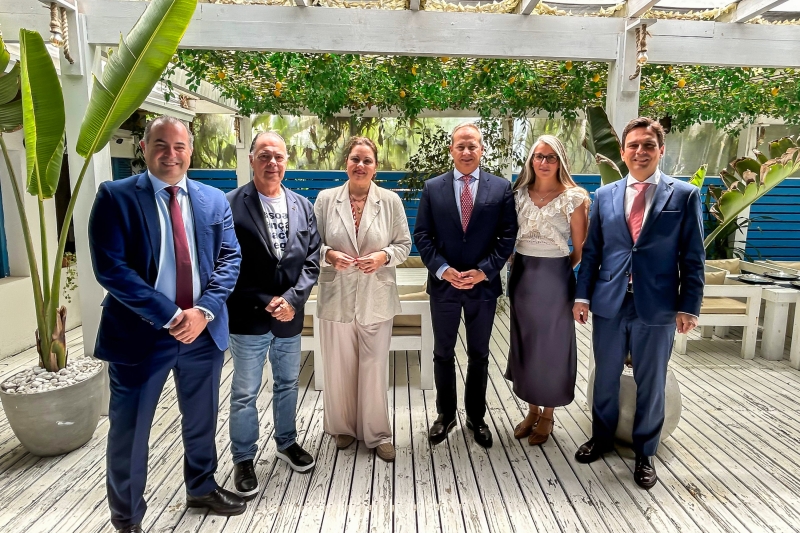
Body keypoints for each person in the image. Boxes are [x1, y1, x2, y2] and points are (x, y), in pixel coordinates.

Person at [88, 116, 243, 533]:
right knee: (131, 430)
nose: (170, 154)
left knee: (201, 419)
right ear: (144, 148)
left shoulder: (214, 200)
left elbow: (230, 259)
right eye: (160, 144)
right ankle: (127, 518)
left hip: (202, 334)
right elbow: (111, 269)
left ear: (190, 151)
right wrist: (172, 316)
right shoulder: (116, 197)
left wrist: (202, 312)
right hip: (140, 335)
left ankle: (201, 487)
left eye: (179, 146)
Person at [573, 117, 704, 490]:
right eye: (633, 145)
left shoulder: (684, 195)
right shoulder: (605, 195)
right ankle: (601, 438)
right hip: (610, 302)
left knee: (652, 380)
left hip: (658, 305)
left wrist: (689, 306)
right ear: (623, 151)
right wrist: (582, 296)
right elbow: (593, 252)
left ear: (661, 150)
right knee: (605, 376)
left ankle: (646, 452)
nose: (640, 151)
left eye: (648, 145)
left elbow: (693, 257)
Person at [225, 131, 321, 498]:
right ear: (252, 159)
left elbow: (311, 260)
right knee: (245, 392)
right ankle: (243, 458)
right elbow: (226, 263)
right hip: (248, 317)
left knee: (287, 383)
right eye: (264, 155)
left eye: (278, 156)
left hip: (289, 318)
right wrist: (265, 299)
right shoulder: (230, 204)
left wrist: (292, 300)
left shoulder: (302, 205)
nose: (272, 163)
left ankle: (286, 442)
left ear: (287, 160)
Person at [414, 123, 517, 449]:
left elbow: (507, 237)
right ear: (452, 150)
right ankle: (445, 415)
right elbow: (422, 236)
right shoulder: (433, 188)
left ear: (481, 149)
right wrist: (443, 270)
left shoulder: (501, 188)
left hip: (482, 287)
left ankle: (476, 416)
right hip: (444, 286)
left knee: (479, 354)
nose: (467, 151)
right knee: (442, 352)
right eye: (461, 146)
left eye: (473, 146)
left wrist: (484, 271)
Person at [313, 136, 411, 462]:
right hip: (336, 294)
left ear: (375, 167)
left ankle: (378, 433)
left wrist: (384, 256)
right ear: (346, 163)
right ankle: (342, 427)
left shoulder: (391, 201)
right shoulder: (326, 200)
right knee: (338, 365)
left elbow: (404, 245)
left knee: (374, 366)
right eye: (355, 159)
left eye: (367, 160)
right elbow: (311, 244)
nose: (361, 165)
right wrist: (329, 255)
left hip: (376, 296)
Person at [505, 135, 589, 446]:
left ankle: (549, 414)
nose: (544, 162)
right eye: (538, 156)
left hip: (556, 280)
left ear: (560, 161)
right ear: (531, 160)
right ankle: (532, 411)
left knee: (552, 346)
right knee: (525, 342)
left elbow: (580, 249)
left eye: (551, 157)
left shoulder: (574, 197)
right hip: (522, 277)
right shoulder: (517, 195)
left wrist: (559, 269)